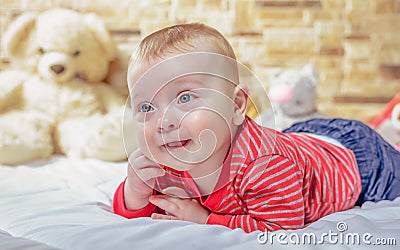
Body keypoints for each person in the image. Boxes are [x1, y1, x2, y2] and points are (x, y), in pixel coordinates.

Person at [113, 23, 400, 233]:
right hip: (302, 139)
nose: (164, 122)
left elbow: (280, 225)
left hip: (358, 160)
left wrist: (205, 220)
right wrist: (134, 192)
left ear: (237, 105)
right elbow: (147, 213)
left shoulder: (264, 166)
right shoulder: (170, 154)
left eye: (185, 97)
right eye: (146, 107)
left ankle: (389, 130)